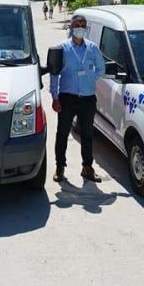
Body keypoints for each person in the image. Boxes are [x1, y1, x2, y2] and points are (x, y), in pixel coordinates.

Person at [50, 14, 106, 182]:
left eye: (83, 24)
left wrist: (90, 79)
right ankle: (60, 167)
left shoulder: (93, 48)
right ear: (71, 26)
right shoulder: (62, 48)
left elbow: (101, 69)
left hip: (88, 99)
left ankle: (87, 168)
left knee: (87, 135)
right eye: (77, 24)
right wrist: (55, 96)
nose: (80, 27)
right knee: (62, 134)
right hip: (67, 98)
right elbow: (54, 74)